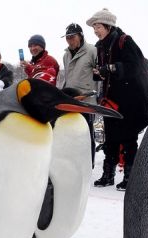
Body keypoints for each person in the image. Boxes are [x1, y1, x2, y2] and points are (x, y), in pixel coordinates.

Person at [87, 8, 148, 190]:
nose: (95, 30)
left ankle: (130, 177)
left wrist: (111, 68)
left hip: (130, 99)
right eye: (94, 27)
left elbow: (135, 66)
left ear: (108, 26)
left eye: (98, 26)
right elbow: (104, 71)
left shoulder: (125, 41)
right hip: (110, 99)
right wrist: (99, 73)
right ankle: (108, 175)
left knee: (129, 138)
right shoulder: (100, 46)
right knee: (110, 138)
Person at [61, 23, 98, 165]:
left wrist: (97, 94)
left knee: (86, 133)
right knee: (72, 133)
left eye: (72, 37)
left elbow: (100, 75)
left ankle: (89, 163)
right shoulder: (66, 55)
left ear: (81, 36)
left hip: (86, 100)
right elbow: (68, 77)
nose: (70, 40)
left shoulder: (92, 51)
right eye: (67, 37)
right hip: (71, 100)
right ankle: (74, 162)